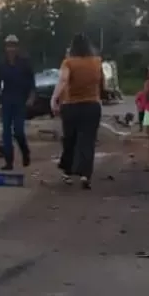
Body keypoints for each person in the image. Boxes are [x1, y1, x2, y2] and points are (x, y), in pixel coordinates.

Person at [50, 33, 104, 189]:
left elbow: (63, 80)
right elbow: (102, 83)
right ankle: (85, 175)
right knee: (88, 141)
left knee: (70, 139)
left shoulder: (68, 63)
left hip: (71, 105)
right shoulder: (97, 62)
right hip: (92, 105)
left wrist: (54, 98)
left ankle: (67, 172)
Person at [0, 34, 35, 170]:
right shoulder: (1, 66)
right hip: (7, 101)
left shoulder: (25, 64)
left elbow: (31, 83)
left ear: (17, 47)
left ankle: (25, 151)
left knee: (18, 131)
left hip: (20, 101)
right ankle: (9, 161)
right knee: (6, 133)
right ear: (5, 48)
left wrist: (31, 97)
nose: (11, 49)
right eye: (9, 46)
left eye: (13, 46)